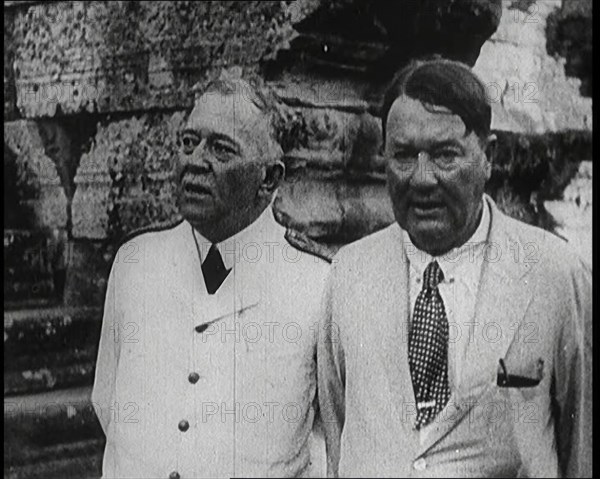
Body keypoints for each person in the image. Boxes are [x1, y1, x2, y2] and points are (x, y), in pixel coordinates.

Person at [317, 58, 592, 478]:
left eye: (446, 155)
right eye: (404, 155)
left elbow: (583, 447)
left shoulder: (553, 273)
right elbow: (340, 436)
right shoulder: (350, 273)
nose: (422, 179)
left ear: (489, 157)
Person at [92, 77, 333, 478]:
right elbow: (107, 400)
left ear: (269, 178)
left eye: (221, 149)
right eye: (189, 142)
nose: (195, 161)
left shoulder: (317, 283)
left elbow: (329, 439)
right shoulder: (137, 263)